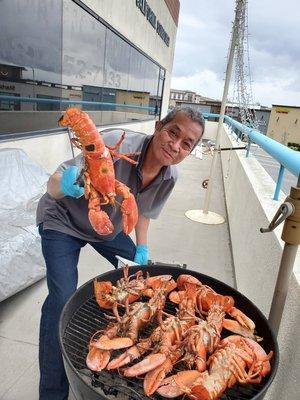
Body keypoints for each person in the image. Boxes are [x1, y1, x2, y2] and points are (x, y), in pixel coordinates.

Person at [36, 106, 205, 400]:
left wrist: (141, 247)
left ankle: (127, 337)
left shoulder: (170, 176)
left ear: (189, 151)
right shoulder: (117, 143)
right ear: (158, 126)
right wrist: (66, 184)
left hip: (105, 228)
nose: (175, 146)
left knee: (143, 277)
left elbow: (144, 212)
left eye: (186, 144)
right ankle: (51, 393)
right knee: (61, 298)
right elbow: (53, 185)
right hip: (62, 219)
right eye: (172, 132)